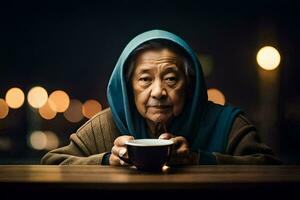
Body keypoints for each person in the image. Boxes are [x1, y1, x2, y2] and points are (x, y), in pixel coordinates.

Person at [41, 30, 281, 166]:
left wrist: (199, 159)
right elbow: (51, 163)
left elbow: (271, 168)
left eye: (171, 78)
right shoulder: (105, 125)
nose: (158, 92)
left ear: (189, 85)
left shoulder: (226, 124)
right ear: (128, 87)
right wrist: (106, 160)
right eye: (145, 79)